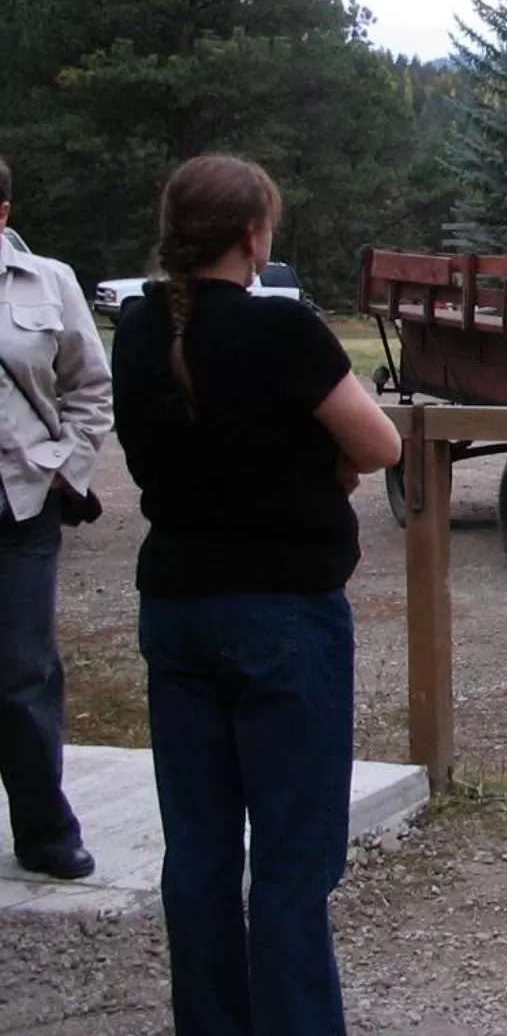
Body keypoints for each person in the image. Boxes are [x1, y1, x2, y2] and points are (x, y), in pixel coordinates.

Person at [112, 154, 403, 1035]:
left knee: (197, 853)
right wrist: (321, 467)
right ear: (252, 235)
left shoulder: (134, 327)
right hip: (282, 617)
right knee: (289, 861)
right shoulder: (284, 332)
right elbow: (382, 444)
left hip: (177, 611)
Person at [0, 155, 113, 882]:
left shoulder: (50, 281)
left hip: (19, 505)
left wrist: (62, 471)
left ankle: (44, 831)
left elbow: (91, 388)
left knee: (20, 672)